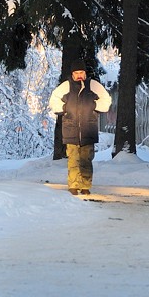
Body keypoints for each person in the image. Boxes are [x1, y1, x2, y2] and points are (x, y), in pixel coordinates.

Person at [49, 60, 112, 196]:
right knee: (73, 159)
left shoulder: (93, 85)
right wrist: (64, 108)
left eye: (81, 73)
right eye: (76, 73)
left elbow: (106, 100)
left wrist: (95, 106)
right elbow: (54, 100)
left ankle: (85, 185)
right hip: (71, 129)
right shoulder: (66, 86)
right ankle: (73, 185)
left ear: (85, 73)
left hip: (88, 129)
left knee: (86, 160)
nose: (79, 75)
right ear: (72, 74)